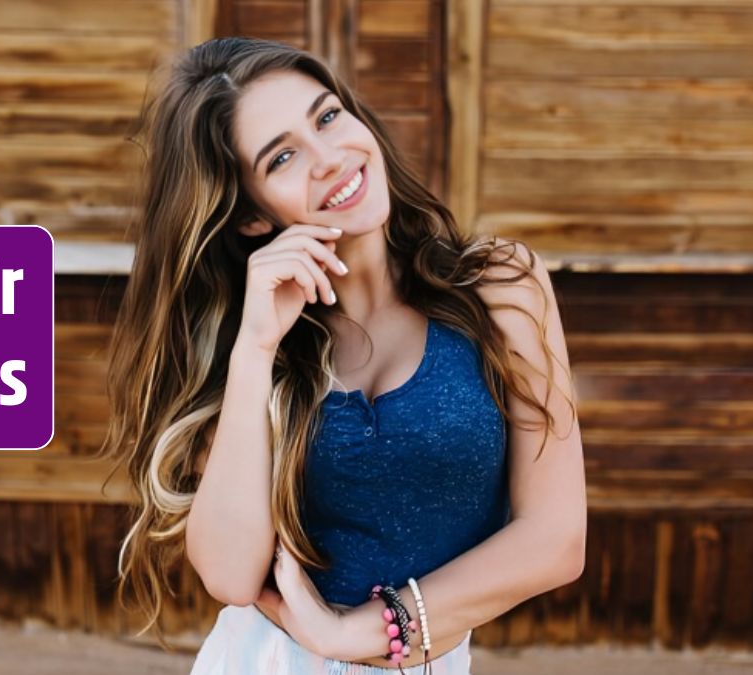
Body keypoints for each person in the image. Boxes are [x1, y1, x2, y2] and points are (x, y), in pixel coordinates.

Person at [101, 36, 587, 674]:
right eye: (282, 158)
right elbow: (228, 574)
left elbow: (556, 540)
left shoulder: (499, 286)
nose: (330, 158)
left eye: (328, 117)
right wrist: (254, 348)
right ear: (251, 215)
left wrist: (365, 632)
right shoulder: (250, 336)